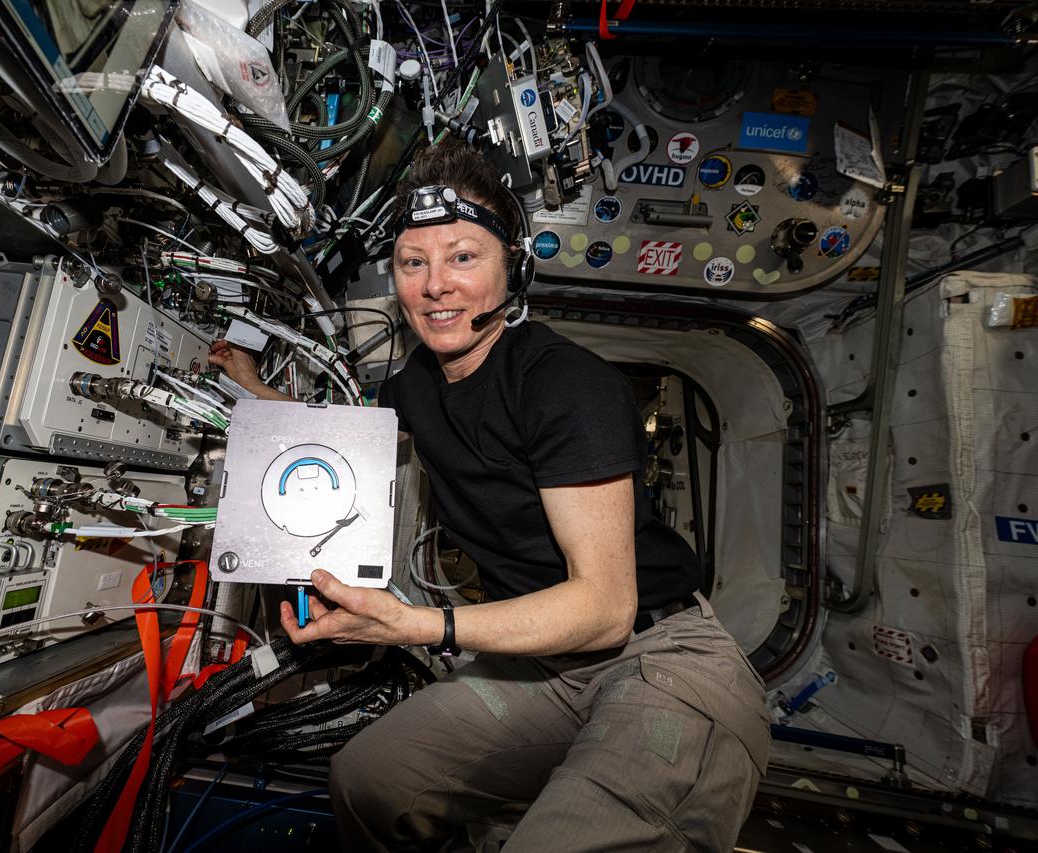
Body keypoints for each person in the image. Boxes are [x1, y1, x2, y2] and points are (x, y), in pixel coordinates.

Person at [208, 142, 770, 852]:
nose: (436, 284)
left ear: (514, 269)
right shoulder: (415, 385)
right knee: (367, 779)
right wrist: (254, 390)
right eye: (415, 262)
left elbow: (603, 609)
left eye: (463, 257)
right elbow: (336, 438)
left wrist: (417, 625)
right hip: (545, 669)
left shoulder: (565, 384)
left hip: (661, 657)